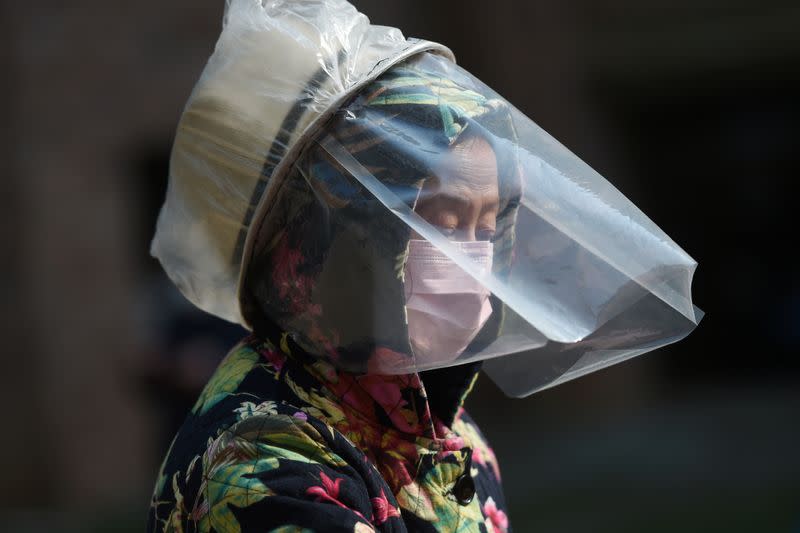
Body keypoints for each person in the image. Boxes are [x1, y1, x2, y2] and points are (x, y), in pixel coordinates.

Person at [147, 1, 700, 531]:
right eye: (439, 222)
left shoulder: (446, 432)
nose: (474, 258)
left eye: (489, 225)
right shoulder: (266, 463)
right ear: (330, 241)